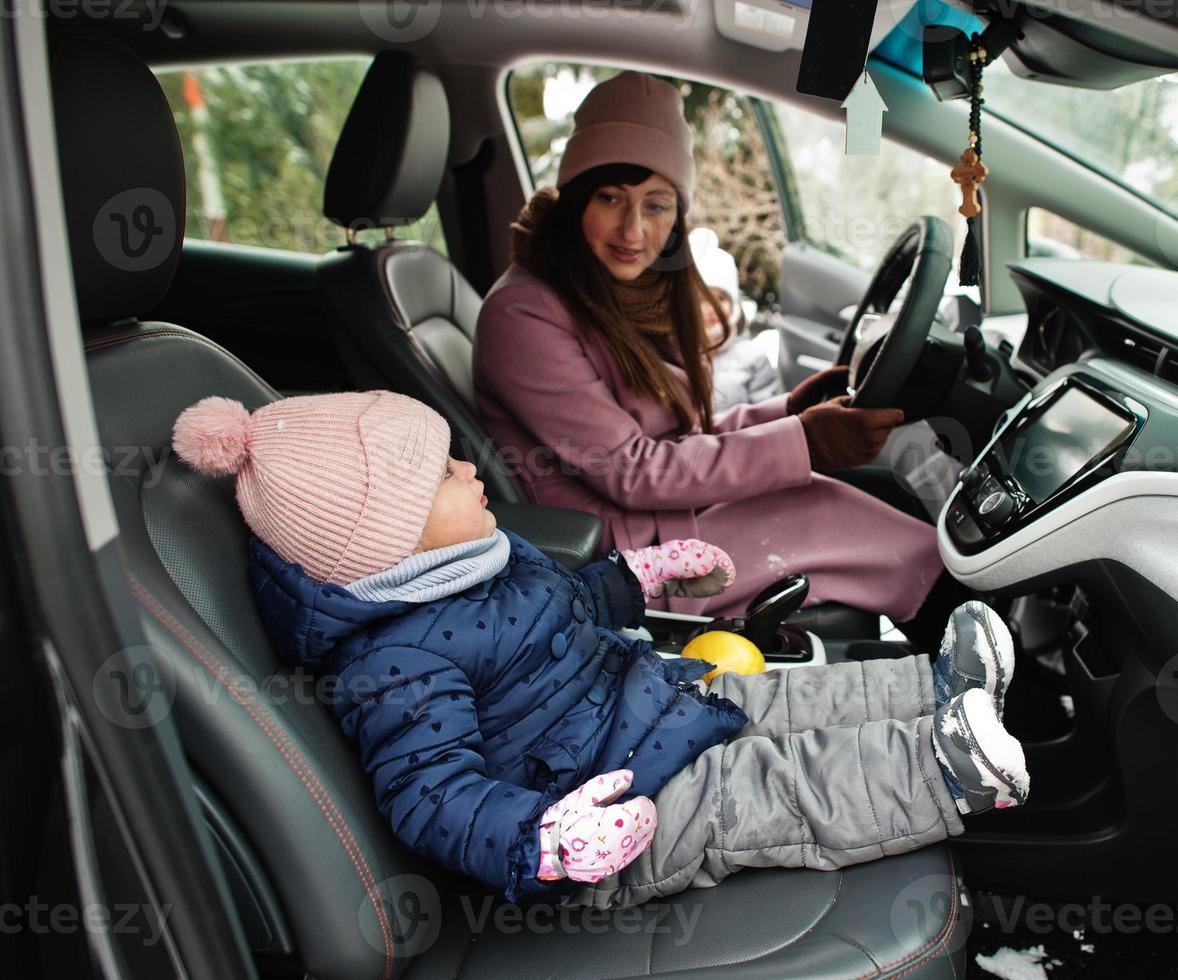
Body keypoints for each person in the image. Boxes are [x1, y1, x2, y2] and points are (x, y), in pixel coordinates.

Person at [171, 390, 1029, 908]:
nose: (472, 472)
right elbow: (429, 797)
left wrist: (639, 577)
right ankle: (941, 771)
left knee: (772, 703)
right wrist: (542, 844)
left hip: (637, 701)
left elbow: (564, 611)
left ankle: (933, 684)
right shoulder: (392, 664)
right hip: (604, 808)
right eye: (441, 474)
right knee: (764, 788)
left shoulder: (474, 566)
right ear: (387, 538)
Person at [473, 71, 966, 645]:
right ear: (576, 197)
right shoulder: (524, 314)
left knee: (881, 498)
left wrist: (786, 412)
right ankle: (999, 693)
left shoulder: (611, 286)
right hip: (623, 554)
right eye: (611, 198)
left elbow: (673, 439)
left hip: (662, 513)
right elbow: (634, 469)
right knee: (894, 541)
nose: (634, 229)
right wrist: (803, 441)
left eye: (656, 205)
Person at [688, 227, 781, 411]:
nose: (711, 309)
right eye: (701, 300)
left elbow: (768, 416)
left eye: (720, 299)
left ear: (734, 305)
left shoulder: (752, 358)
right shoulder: (672, 360)